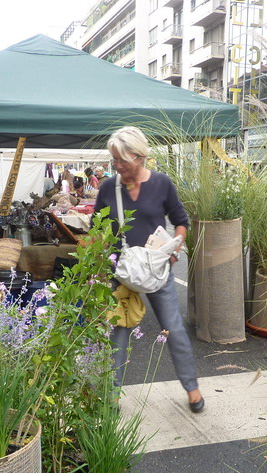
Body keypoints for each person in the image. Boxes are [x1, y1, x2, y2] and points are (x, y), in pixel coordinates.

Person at [94, 126, 204, 413]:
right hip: (122, 272)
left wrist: (175, 246)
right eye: (114, 160)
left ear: (140, 157)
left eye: (123, 160)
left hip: (156, 271)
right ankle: (113, 395)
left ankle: (192, 389)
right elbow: (97, 228)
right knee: (118, 331)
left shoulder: (161, 184)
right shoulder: (108, 188)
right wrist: (97, 263)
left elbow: (181, 220)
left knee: (174, 329)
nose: (118, 166)